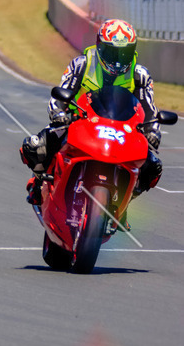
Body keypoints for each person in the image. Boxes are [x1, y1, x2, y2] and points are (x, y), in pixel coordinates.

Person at [20, 19, 162, 207]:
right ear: (100, 47)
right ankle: (40, 182)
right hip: (78, 123)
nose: (118, 60)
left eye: (124, 53)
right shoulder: (82, 64)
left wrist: (153, 132)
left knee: (153, 167)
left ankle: (124, 199)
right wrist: (59, 114)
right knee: (34, 147)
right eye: (112, 52)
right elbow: (59, 95)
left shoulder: (140, 75)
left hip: (122, 132)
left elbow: (150, 109)